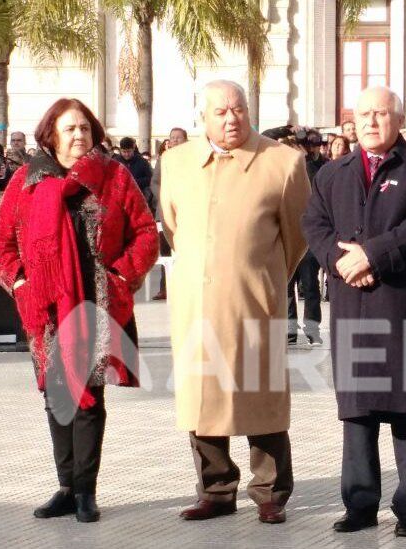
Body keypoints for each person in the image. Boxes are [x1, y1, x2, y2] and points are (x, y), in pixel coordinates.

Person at [0, 97, 158, 523]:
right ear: (51, 135)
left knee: (88, 396)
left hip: (98, 302)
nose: (79, 135)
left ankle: (86, 490)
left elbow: (144, 234)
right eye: (70, 129)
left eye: (85, 127)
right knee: (56, 394)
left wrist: (121, 276)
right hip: (46, 307)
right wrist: (21, 282)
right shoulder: (27, 180)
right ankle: (65, 485)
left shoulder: (115, 176)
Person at [302, 86, 406, 538]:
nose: (370, 121)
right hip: (351, 303)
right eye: (363, 114)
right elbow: (314, 224)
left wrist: (372, 255)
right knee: (358, 411)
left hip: (402, 306)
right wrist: (340, 260)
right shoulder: (333, 172)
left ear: (397, 119)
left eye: (380, 113)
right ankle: (360, 503)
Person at [160, 80, 309, 525]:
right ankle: (215, 489)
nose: (231, 119)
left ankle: (269, 492)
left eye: (239, 110)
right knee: (202, 397)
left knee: (260, 395)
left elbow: (296, 237)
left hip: (253, 302)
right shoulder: (175, 161)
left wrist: (260, 276)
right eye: (221, 112)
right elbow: (172, 225)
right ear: (202, 117)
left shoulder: (282, 162)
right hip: (195, 305)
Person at [286, 130, 327, 345]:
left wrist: (307, 159)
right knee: (286, 287)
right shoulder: (281, 168)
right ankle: (289, 331)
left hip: (310, 235)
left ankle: (312, 330)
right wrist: (287, 129)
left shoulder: (320, 167)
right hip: (287, 236)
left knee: (311, 286)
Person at [148, 127, 188, 301]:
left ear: (185, 140)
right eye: (172, 138)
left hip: (186, 211)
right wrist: (165, 198)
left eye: (178, 138)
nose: (174, 141)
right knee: (165, 252)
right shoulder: (163, 159)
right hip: (164, 212)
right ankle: (164, 288)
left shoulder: (192, 159)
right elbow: (154, 183)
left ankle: (185, 288)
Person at [112, 137, 154, 210]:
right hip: (120, 198)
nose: (127, 154)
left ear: (133, 149)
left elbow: (149, 179)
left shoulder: (142, 161)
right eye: (124, 152)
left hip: (138, 197)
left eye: (129, 151)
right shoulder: (115, 162)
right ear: (120, 150)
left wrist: (134, 182)